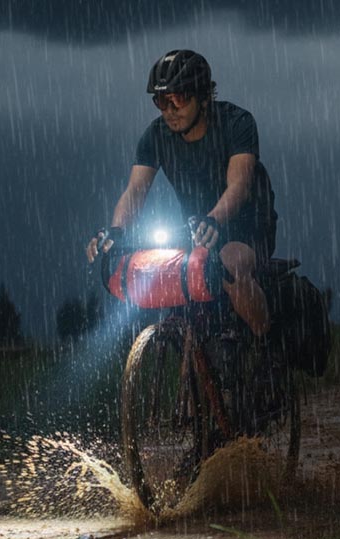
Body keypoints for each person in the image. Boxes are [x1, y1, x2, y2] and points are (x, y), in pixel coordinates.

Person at [86, 49, 278, 338]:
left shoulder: (237, 123)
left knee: (229, 265)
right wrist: (116, 231)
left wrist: (214, 219)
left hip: (247, 224)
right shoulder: (155, 136)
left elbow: (238, 185)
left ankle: (268, 349)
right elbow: (135, 191)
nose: (170, 110)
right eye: (161, 101)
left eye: (179, 98)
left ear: (203, 97)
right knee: (156, 272)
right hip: (195, 229)